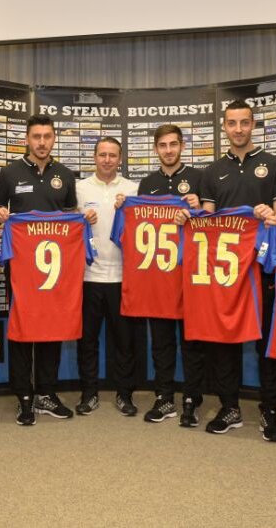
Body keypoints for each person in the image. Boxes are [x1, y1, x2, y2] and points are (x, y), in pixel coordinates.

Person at [0, 115, 91, 425]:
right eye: (37, 136)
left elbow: (70, 214)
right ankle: (24, 396)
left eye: (47, 136)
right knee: (22, 327)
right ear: (27, 139)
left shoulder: (65, 174)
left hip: (55, 269)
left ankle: (46, 393)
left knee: (52, 326)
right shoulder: (9, 172)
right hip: (21, 266)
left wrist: (83, 219)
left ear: (54, 139)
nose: (42, 142)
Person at [197, 100, 276, 440]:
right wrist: (189, 214)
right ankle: (230, 406)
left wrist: (271, 216)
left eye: (244, 122)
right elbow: (207, 220)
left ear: (253, 125)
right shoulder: (212, 171)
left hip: (263, 268)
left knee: (266, 341)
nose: (238, 129)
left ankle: (270, 409)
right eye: (232, 123)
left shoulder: (273, 165)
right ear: (224, 126)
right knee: (226, 341)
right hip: (226, 272)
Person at [122, 124, 206, 427]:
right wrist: (123, 207)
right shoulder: (147, 183)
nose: (168, 150)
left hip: (191, 276)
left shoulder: (199, 178)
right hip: (157, 277)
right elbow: (134, 222)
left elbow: (213, 221)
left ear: (182, 145)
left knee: (192, 342)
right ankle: (164, 396)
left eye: (173, 144)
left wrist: (200, 208)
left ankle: (192, 399)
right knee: (160, 341)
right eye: (163, 145)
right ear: (156, 149)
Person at [75, 137, 140, 416]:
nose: (107, 160)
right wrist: (80, 220)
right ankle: (88, 393)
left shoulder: (133, 189)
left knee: (124, 342)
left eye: (112, 155)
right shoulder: (79, 188)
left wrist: (130, 207)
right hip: (88, 277)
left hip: (122, 277)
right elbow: (66, 227)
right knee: (87, 341)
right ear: (94, 157)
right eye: (102, 154)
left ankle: (125, 394)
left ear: (120, 159)